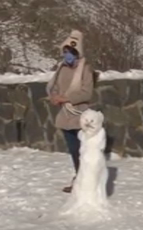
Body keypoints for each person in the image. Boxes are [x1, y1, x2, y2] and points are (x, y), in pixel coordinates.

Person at [46, 30, 95, 193]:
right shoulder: (61, 69)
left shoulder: (85, 69)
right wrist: (53, 96)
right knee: (74, 151)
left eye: (71, 52)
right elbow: (54, 87)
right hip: (65, 116)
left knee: (82, 150)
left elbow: (86, 92)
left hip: (79, 115)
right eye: (66, 52)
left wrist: (66, 98)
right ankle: (79, 178)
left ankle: (87, 180)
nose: (68, 55)